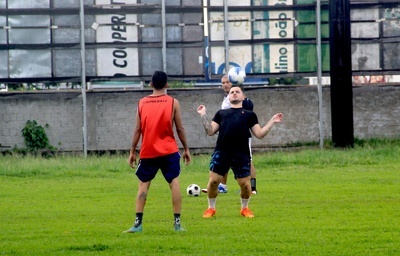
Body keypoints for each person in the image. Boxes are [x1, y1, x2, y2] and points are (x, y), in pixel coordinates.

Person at [197, 85, 283, 218]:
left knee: (245, 185)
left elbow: (259, 134)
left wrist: (272, 121)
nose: (234, 94)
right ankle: (211, 208)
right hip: (222, 152)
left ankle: (244, 208)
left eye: (237, 92)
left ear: (243, 96)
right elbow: (210, 131)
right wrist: (203, 115)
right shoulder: (221, 113)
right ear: (229, 97)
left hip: (241, 153)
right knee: (213, 181)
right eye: (232, 92)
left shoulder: (249, 115)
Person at [123, 71, 191, 233]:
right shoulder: (173, 102)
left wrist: (132, 151)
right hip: (169, 150)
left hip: (148, 151)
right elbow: (180, 128)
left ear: (151, 84)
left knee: (143, 185)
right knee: (174, 183)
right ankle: (177, 224)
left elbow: (138, 129)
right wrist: (186, 149)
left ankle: (138, 224)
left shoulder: (142, 103)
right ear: (167, 85)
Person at [218, 74, 257, 194]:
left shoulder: (242, 99)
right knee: (225, 159)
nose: (225, 85)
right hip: (227, 135)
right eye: (223, 83)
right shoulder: (227, 99)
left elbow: (249, 108)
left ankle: (253, 188)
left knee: (248, 160)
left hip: (242, 136)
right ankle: (222, 186)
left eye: (227, 82)